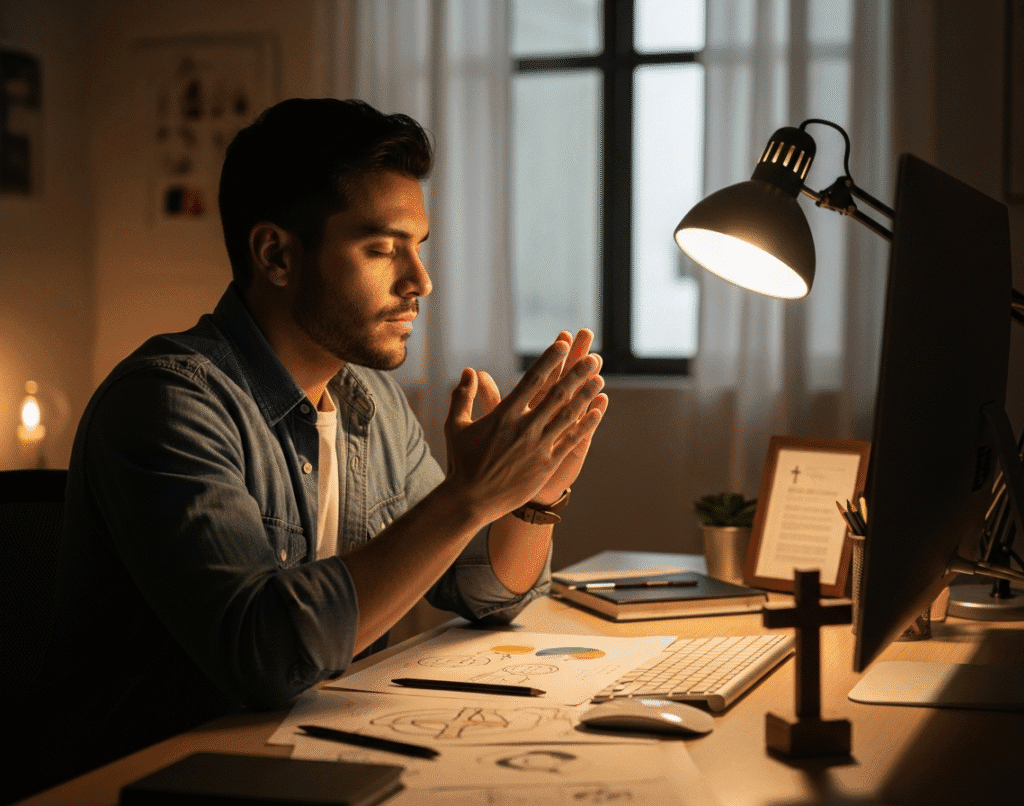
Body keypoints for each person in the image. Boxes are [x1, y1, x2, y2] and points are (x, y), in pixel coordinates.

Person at [39, 98, 608, 783]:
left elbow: (484, 592)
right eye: (381, 248)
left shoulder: (368, 400)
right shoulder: (167, 403)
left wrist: (529, 498)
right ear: (276, 254)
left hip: (319, 762)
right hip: (161, 782)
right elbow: (266, 655)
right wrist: (467, 495)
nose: (419, 282)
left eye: (418, 248)